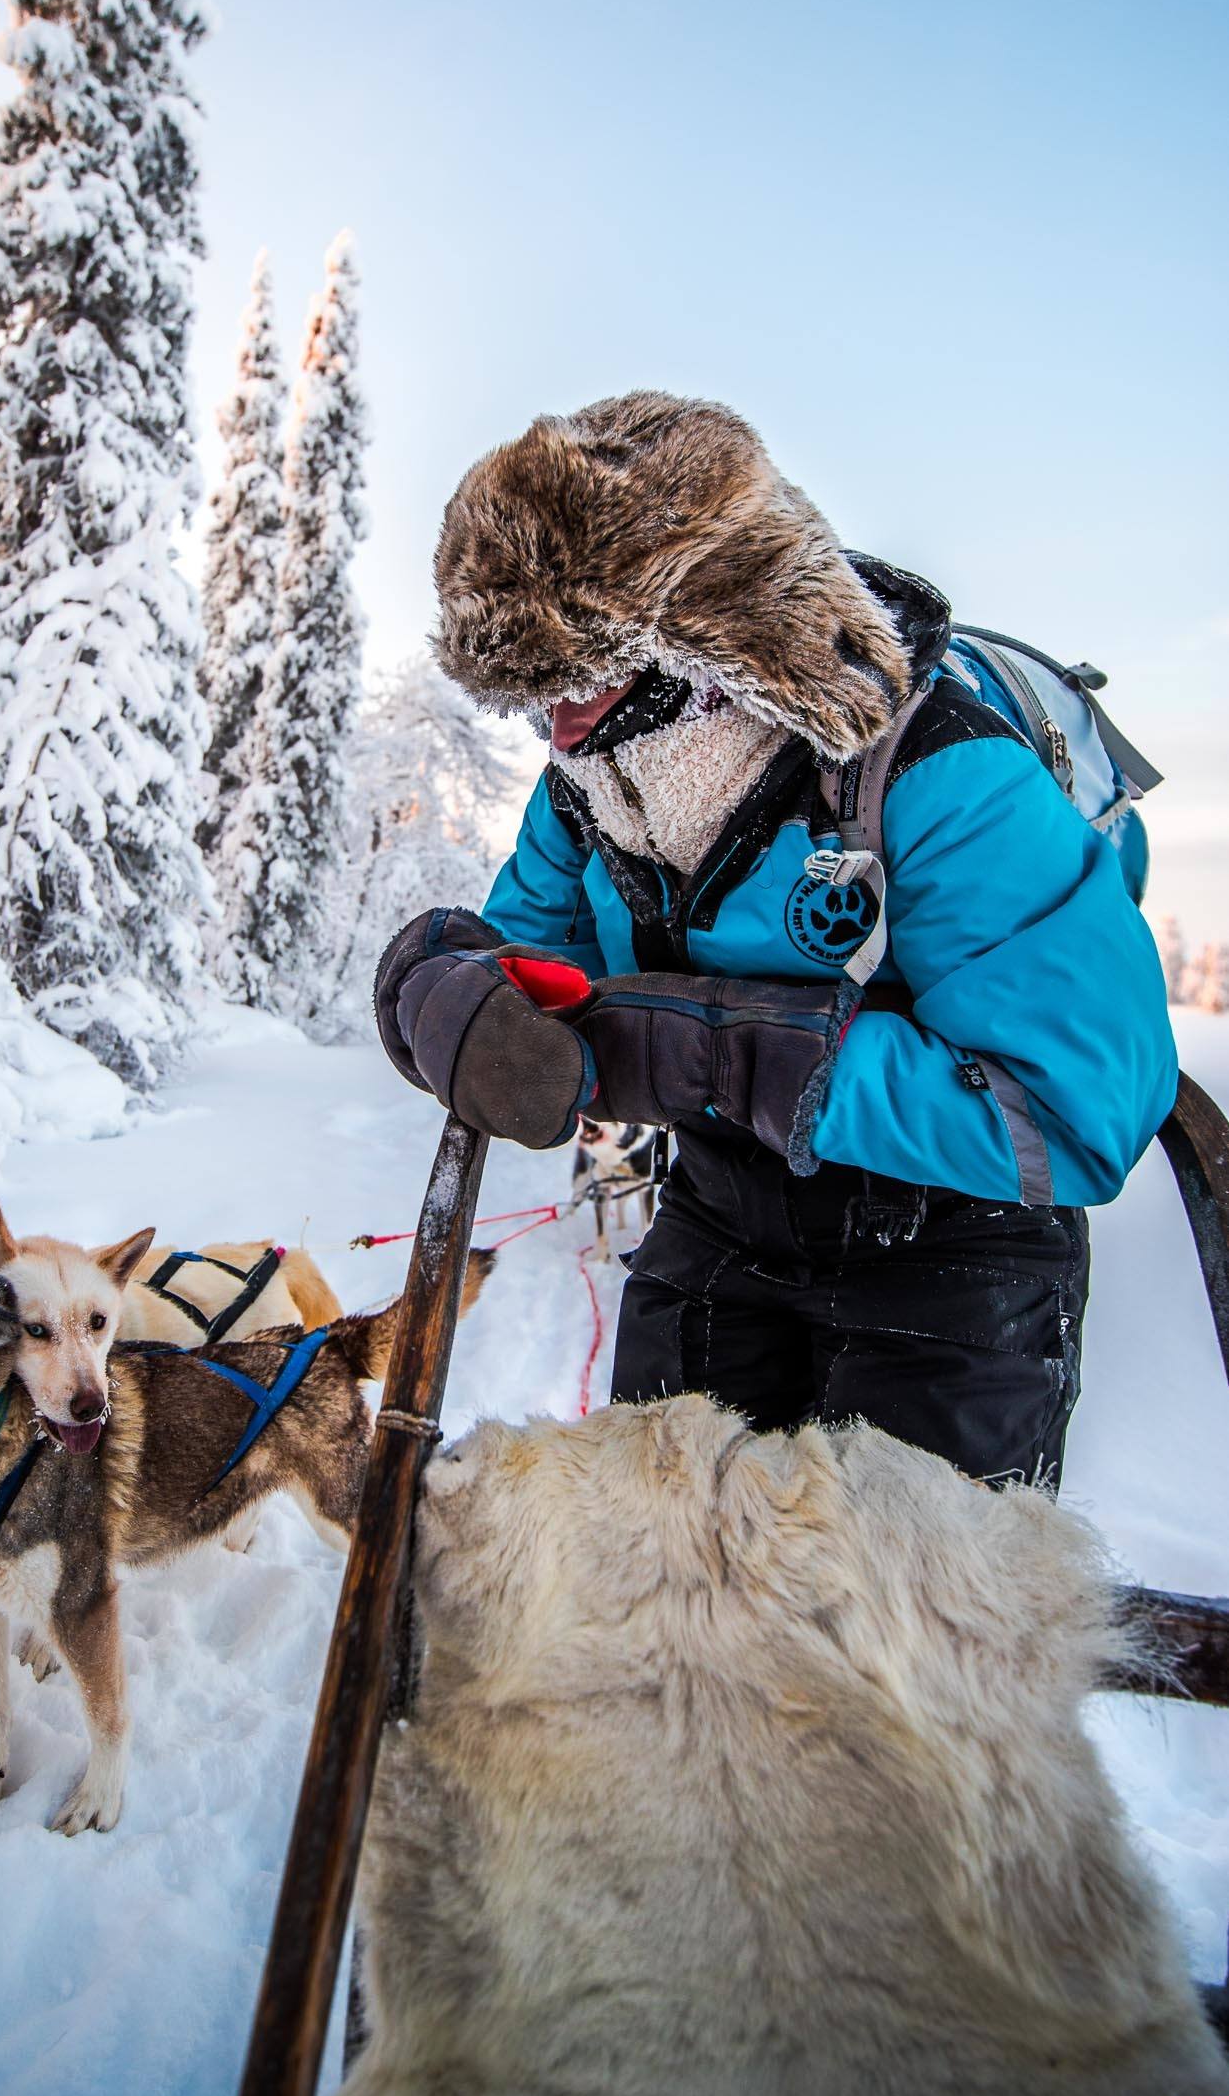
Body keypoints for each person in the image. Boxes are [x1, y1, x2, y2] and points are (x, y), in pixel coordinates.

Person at [374, 393, 1176, 1487]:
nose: (556, 729)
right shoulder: (590, 790)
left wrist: (713, 1055)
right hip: (719, 1221)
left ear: (707, 643)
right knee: (652, 1583)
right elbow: (511, 956)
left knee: (876, 1642)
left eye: (581, 678)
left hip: (953, 1251)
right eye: (533, 694)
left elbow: (1074, 1114)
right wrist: (433, 989)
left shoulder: (941, 771)